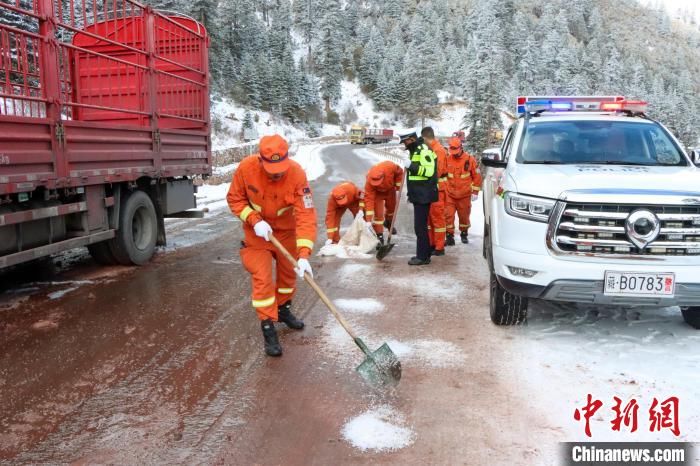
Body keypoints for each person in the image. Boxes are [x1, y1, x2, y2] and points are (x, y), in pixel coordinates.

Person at [226, 134, 317, 357]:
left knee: (288, 276)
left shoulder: (297, 174)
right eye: (271, 169)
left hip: (286, 233)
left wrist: (304, 254)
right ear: (260, 159)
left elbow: (306, 214)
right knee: (263, 280)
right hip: (257, 235)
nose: (276, 173)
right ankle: (268, 328)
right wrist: (254, 220)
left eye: (280, 168)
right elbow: (234, 199)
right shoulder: (246, 169)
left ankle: (284, 310)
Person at [398, 132, 438, 265]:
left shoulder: (423, 150)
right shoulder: (415, 150)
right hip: (419, 194)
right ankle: (424, 254)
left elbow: (428, 172)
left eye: (405, 142)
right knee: (420, 226)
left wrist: (411, 166)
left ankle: (422, 257)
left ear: (411, 139)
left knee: (420, 227)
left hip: (424, 194)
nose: (404, 145)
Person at [445, 137, 482, 245]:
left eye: (456, 151)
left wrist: (475, 192)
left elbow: (477, 176)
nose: (455, 154)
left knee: (464, 216)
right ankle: (449, 235)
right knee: (448, 216)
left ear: (461, 148)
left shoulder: (470, 160)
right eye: (453, 151)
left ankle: (464, 233)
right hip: (450, 194)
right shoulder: (448, 159)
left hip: (464, 195)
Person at [421, 126, 448, 256]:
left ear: (426, 138)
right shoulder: (431, 149)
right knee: (430, 219)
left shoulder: (439, 150)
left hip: (438, 189)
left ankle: (439, 247)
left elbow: (437, 171)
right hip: (431, 188)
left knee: (437, 219)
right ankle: (432, 244)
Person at [363, 160, 403, 245]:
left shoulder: (390, 166)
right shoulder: (369, 183)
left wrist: (398, 185)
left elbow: (400, 172)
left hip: (390, 190)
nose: (377, 184)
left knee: (392, 210)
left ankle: (388, 222)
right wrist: (368, 220)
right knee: (378, 215)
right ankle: (379, 237)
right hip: (378, 195)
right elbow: (369, 200)